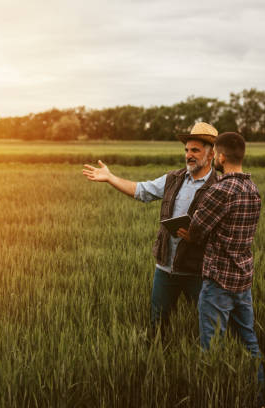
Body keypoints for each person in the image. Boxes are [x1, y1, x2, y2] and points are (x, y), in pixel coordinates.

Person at [82, 122, 218, 338]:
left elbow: (227, 231)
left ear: (210, 155)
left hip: (198, 271)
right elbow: (141, 191)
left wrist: (198, 236)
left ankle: (204, 363)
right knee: (157, 325)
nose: (188, 155)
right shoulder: (173, 179)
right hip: (166, 267)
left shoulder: (220, 185)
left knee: (207, 327)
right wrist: (110, 178)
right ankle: (157, 357)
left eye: (195, 150)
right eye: (186, 150)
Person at [177, 131, 265, 402]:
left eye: (215, 154)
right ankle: (260, 396)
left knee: (211, 346)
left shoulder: (219, 190)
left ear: (221, 156)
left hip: (218, 280)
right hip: (243, 278)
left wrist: (186, 233)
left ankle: (211, 397)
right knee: (249, 340)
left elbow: (198, 231)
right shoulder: (253, 189)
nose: (214, 158)